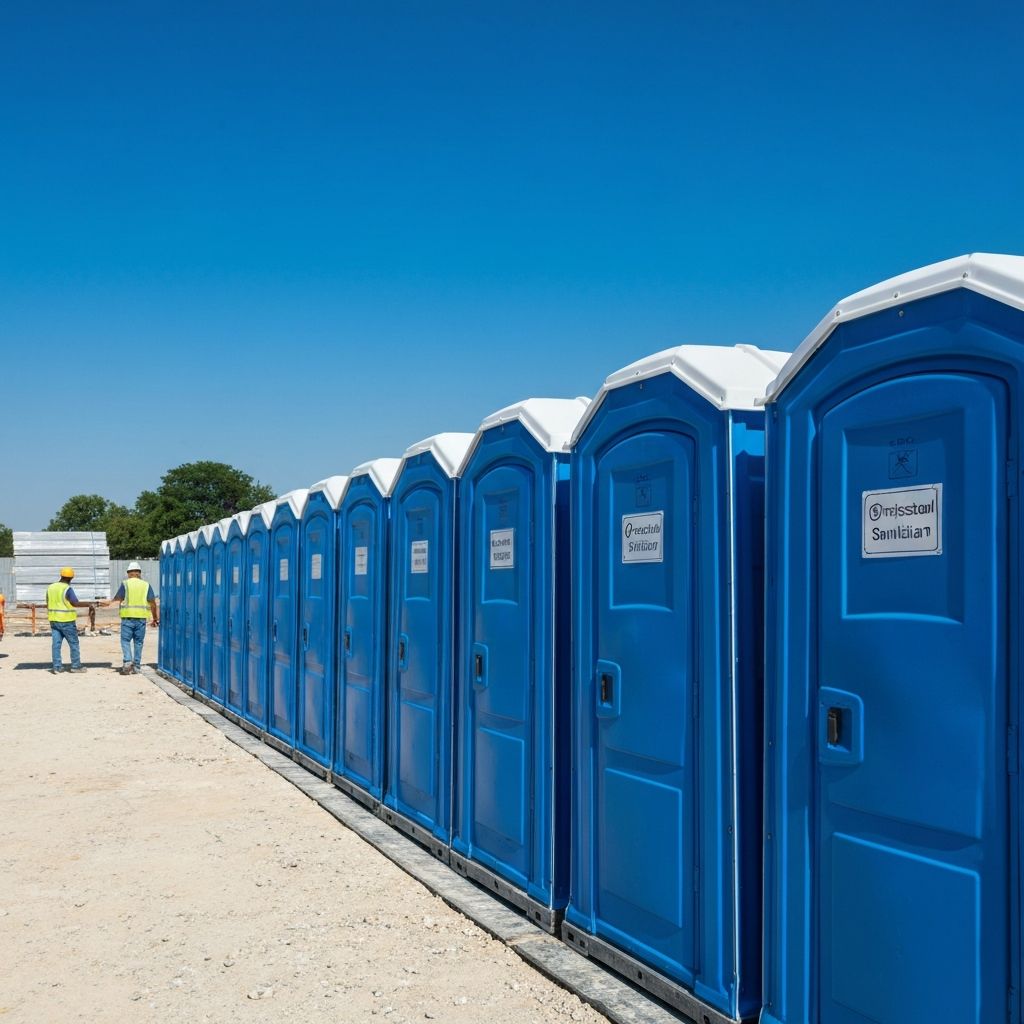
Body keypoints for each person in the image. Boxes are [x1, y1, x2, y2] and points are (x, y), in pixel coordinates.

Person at [108, 561, 159, 675]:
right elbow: (152, 603)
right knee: (138, 642)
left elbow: (118, 598)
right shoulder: (146, 585)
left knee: (125, 641)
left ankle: (127, 662)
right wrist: (155, 618)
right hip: (141, 619)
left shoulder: (125, 584)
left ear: (128, 573)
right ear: (139, 573)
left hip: (128, 618)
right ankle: (136, 667)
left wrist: (106, 603)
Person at [47, 567, 91, 673]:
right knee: (73, 643)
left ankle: (57, 667)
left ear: (61, 575)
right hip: (66, 621)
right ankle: (76, 666)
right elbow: (75, 602)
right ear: (71, 578)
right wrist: (89, 604)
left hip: (54, 620)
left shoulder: (51, 587)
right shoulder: (67, 588)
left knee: (56, 645)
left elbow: (48, 602)